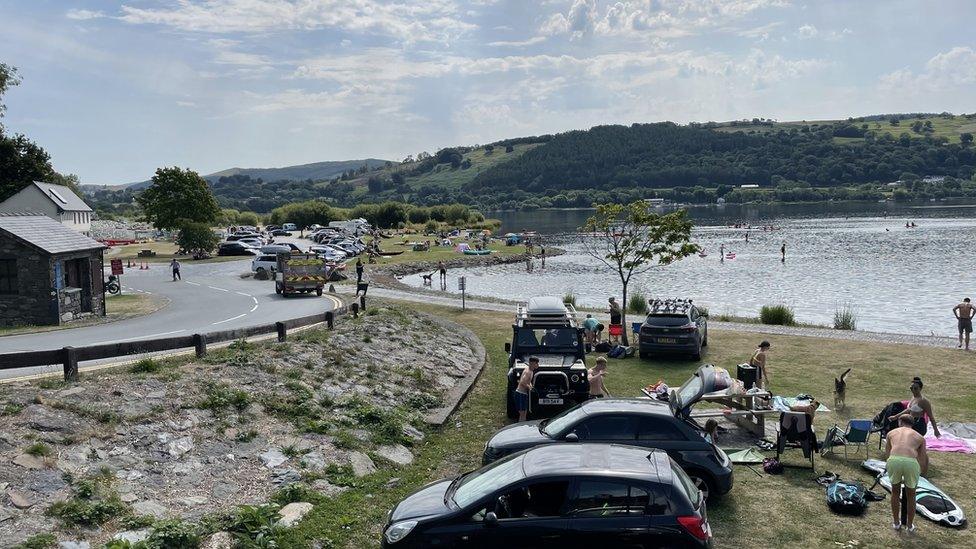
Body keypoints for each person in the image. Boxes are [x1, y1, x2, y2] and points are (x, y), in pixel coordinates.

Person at [885, 415, 929, 532]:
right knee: (911, 494)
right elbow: (922, 457)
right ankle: (909, 525)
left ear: (900, 422)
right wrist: (922, 472)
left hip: (894, 460)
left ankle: (896, 522)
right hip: (911, 462)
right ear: (912, 424)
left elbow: (888, 453)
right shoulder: (919, 437)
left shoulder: (891, 433)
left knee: (895, 491)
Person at [515, 357, 540, 422]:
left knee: (525, 412)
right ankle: (520, 427)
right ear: (531, 363)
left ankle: (522, 426)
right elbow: (522, 382)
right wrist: (529, 388)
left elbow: (528, 381)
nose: (538, 365)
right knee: (522, 413)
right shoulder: (528, 372)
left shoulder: (531, 371)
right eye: (536, 363)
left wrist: (531, 386)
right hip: (521, 394)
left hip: (523, 394)